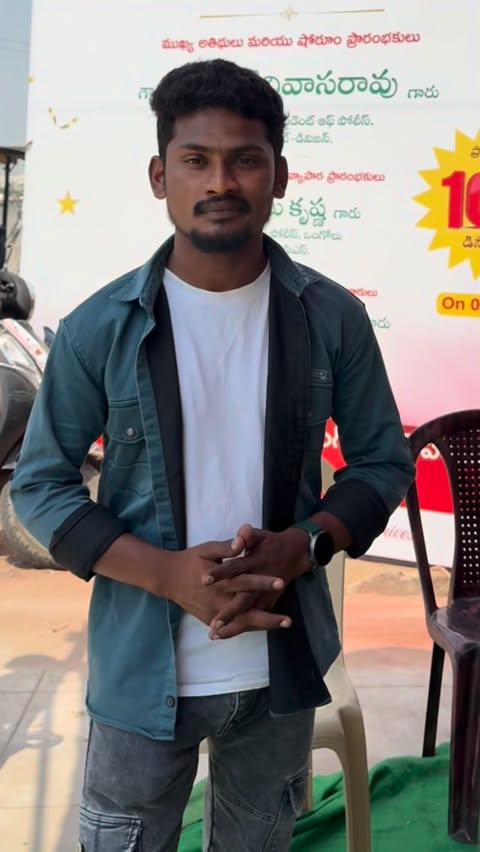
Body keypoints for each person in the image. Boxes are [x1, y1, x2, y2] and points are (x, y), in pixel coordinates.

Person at [11, 58, 415, 852]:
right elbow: (41, 486)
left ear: (281, 176)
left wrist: (305, 545)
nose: (220, 181)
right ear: (160, 176)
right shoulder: (100, 329)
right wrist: (166, 574)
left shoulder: (331, 318)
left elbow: (383, 463)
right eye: (196, 159)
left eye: (245, 160)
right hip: (141, 677)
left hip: (281, 674)